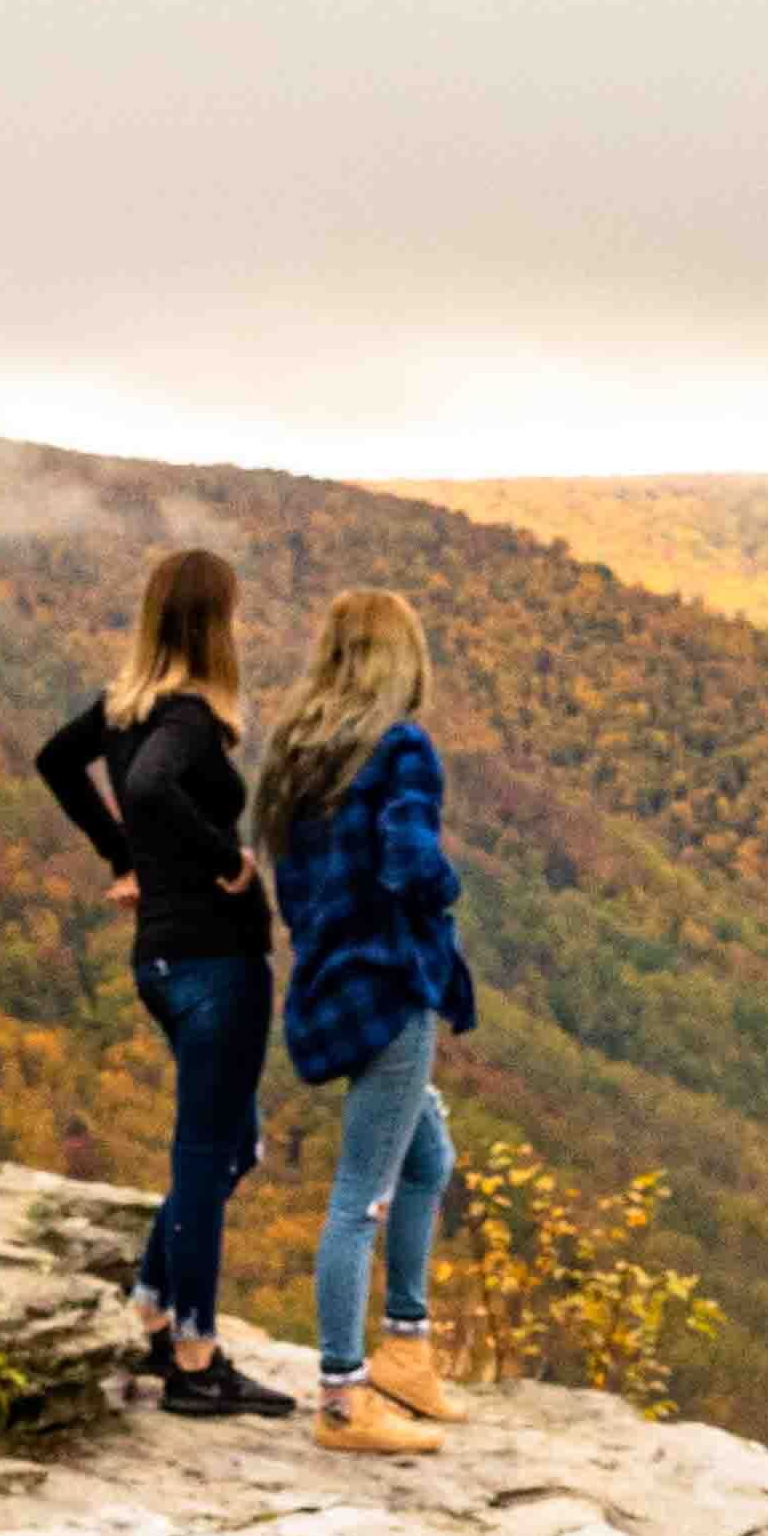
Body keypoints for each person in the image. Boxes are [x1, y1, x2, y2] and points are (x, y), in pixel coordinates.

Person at [34, 548, 287, 1420]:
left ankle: (150, 1307)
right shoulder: (184, 716)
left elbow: (56, 763)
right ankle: (195, 1356)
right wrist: (229, 860)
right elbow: (148, 784)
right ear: (216, 625)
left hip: (161, 959)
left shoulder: (121, 707)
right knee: (210, 1149)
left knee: (231, 1144)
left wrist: (123, 857)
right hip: (216, 962)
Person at [249, 586, 473, 1460]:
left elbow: (294, 888)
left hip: (331, 983)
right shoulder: (402, 748)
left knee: (429, 1155)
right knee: (359, 1198)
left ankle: (406, 1349)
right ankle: (344, 1397)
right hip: (391, 985)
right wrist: (446, 894)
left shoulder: (302, 752)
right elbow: (413, 859)